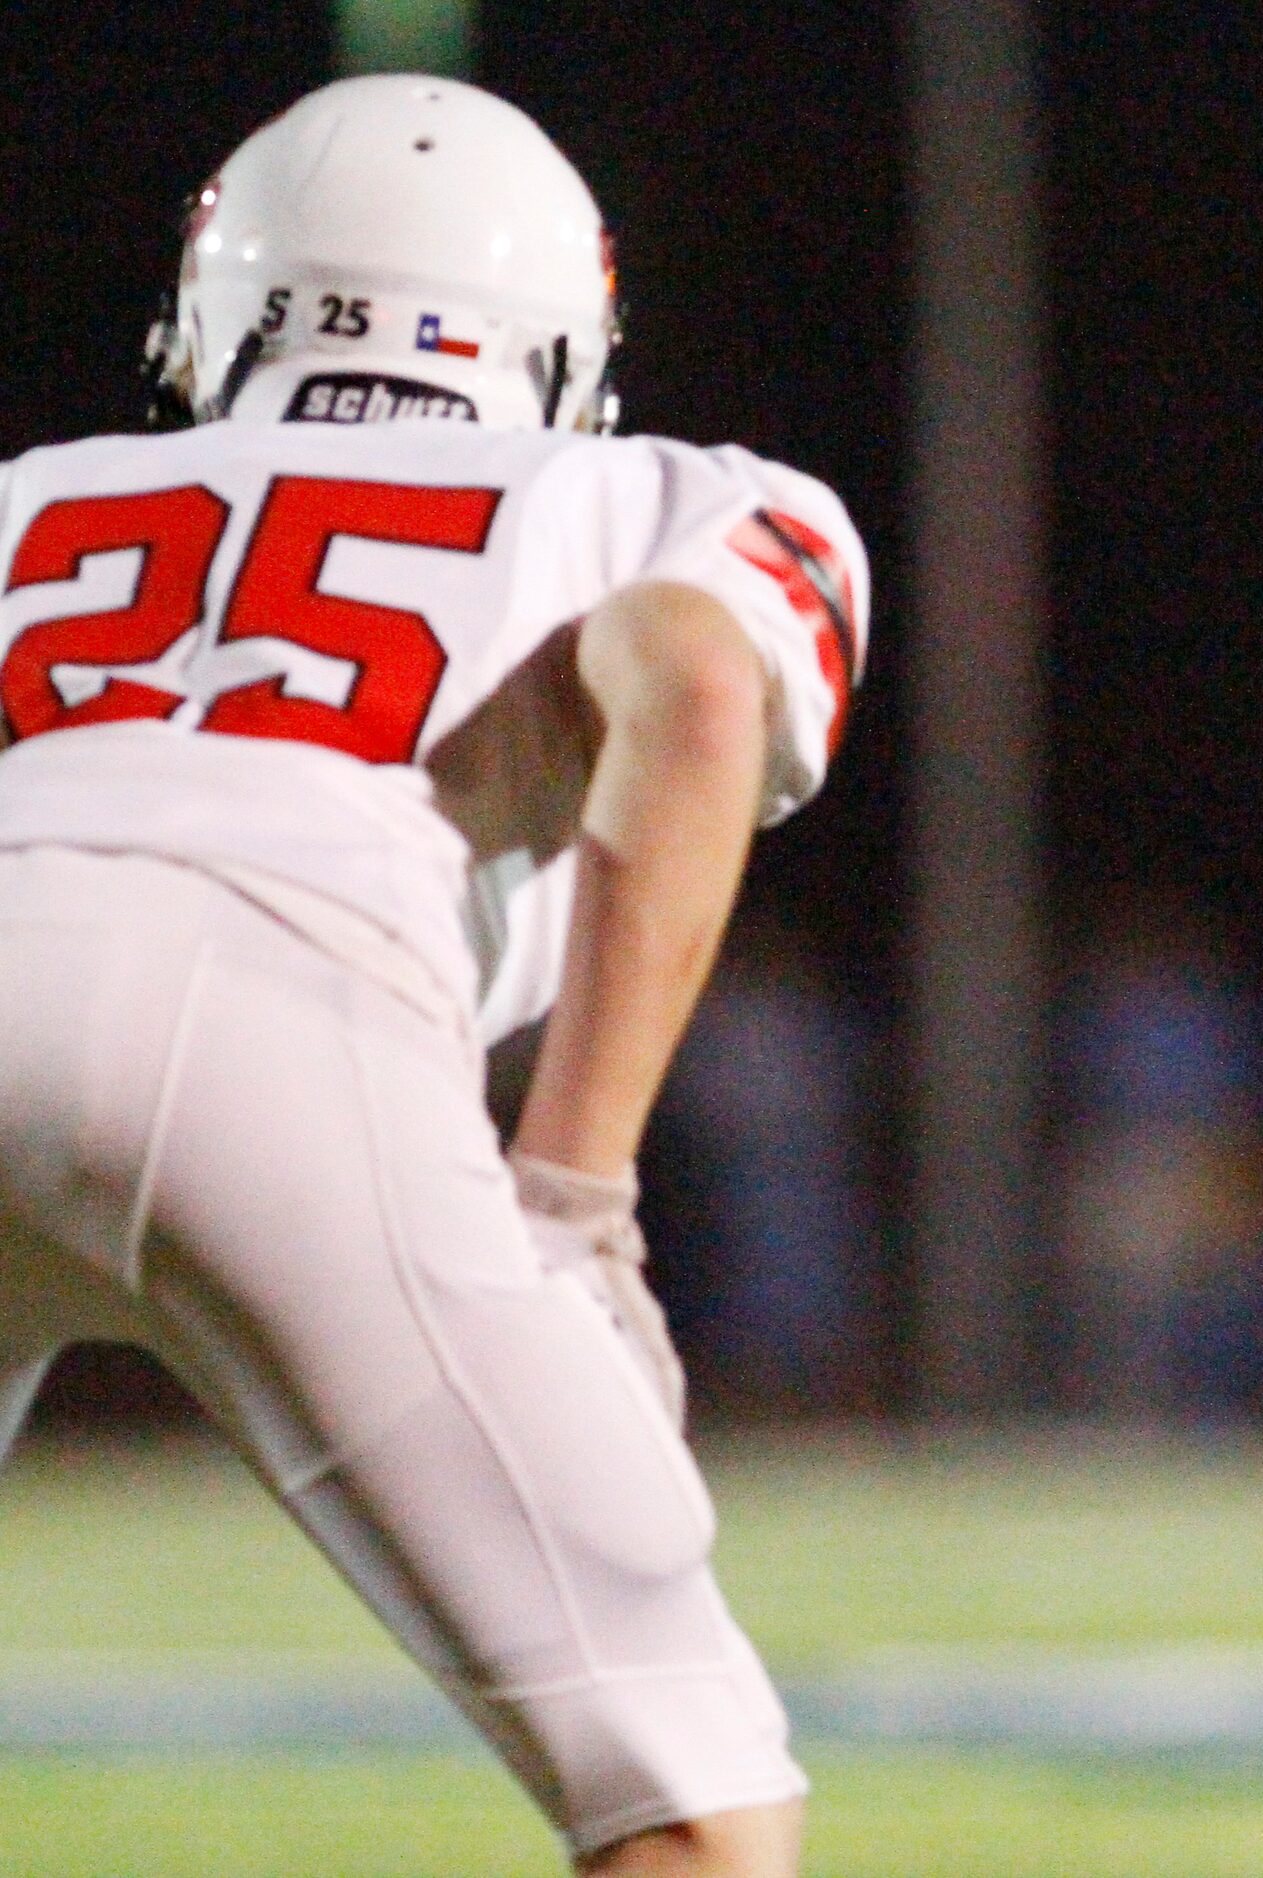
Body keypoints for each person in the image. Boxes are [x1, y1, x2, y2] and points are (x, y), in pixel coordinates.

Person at [0, 76, 866, 1876]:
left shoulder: (32, 498)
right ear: (562, 348)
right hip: (284, 1000)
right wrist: (574, 1190)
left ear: (210, 328)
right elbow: (697, 692)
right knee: (686, 1805)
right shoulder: (654, 491)